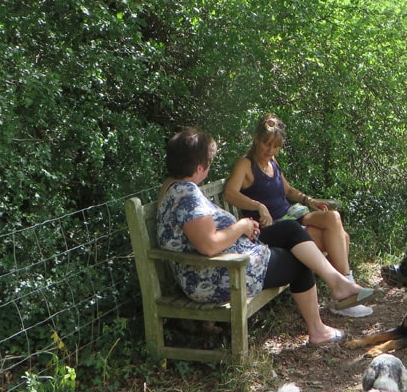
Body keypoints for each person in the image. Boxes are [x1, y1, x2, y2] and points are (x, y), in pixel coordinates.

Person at [156, 128, 381, 346]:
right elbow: (208, 245)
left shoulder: (175, 186)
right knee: (298, 260)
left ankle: (338, 283)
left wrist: (243, 229)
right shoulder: (188, 194)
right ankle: (319, 329)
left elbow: (204, 236)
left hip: (223, 263)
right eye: (208, 163)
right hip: (215, 276)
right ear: (198, 167)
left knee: (290, 230)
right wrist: (241, 225)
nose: (209, 169)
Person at [224, 113, 373, 318]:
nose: (270, 150)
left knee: (333, 217)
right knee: (341, 238)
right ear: (256, 139)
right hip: (272, 230)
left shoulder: (272, 162)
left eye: (276, 146)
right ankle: (345, 298)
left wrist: (308, 200)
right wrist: (258, 206)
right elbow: (229, 193)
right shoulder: (246, 164)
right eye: (267, 144)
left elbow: (287, 190)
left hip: (289, 217)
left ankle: (346, 290)